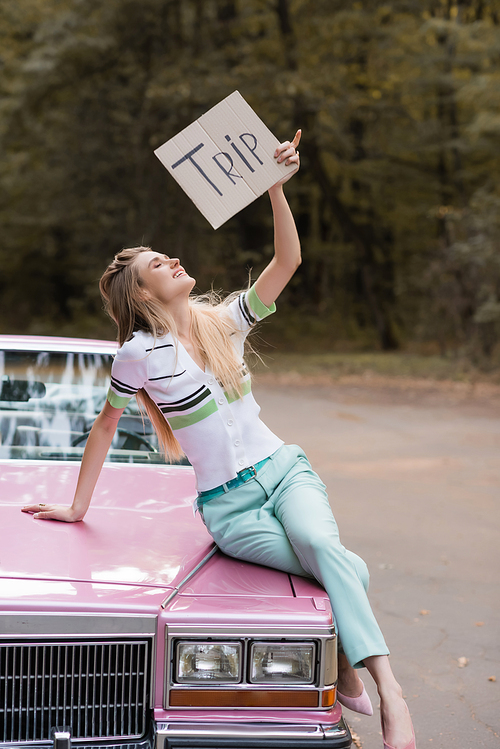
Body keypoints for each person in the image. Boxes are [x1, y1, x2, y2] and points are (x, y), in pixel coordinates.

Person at [22, 131, 415, 749]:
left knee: (318, 542)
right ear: (142, 295)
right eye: (157, 264)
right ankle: (340, 669)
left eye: (166, 254)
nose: (172, 260)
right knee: (349, 568)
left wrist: (275, 189)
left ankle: (388, 691)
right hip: (228, 509)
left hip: (283, 470)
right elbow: (103, 427)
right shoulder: (137, 355)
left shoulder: (224, 323)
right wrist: (78, 507)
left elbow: (287, 264)